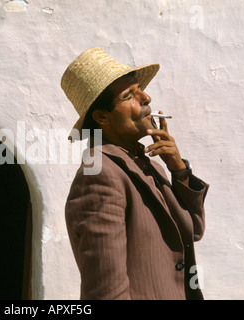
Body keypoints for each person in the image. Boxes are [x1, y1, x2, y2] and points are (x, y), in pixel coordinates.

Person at [61, 47, 209, 300]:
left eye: (140, 88)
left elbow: (192, 229)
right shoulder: (100, 175)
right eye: (129, 95)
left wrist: (179, 170)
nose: (146, 97)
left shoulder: (147, 164)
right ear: (102, 116)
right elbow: (106, 291)